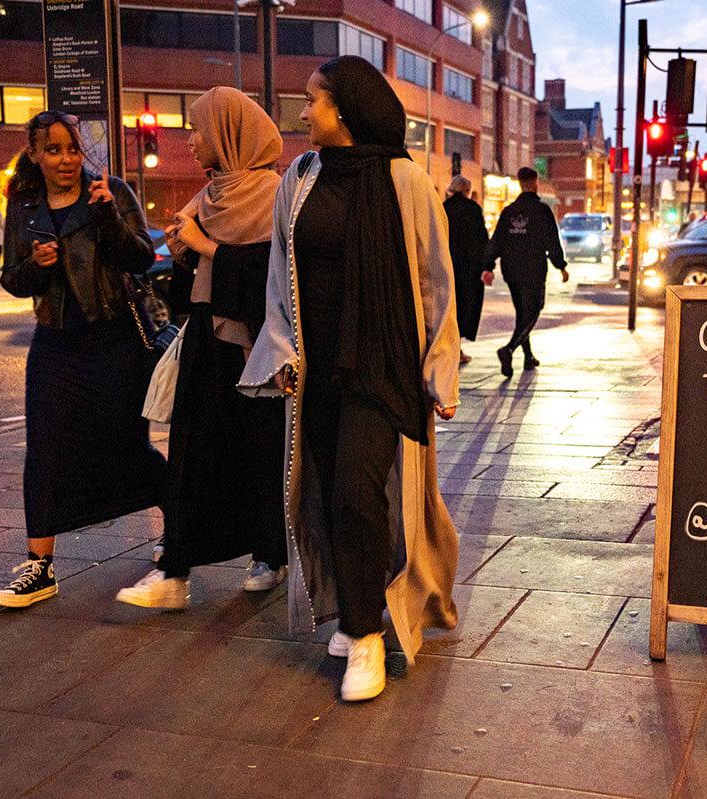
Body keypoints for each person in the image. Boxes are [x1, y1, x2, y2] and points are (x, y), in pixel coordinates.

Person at [239, 55, 460, 702]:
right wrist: (281, 352)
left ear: (347, 108)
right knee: (326, 493)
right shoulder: (300, 179)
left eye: (314, 101)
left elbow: (435, 279)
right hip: (316, 370)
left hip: (381, 366)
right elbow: (280, 277)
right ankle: (359, 604)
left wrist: (439, 369)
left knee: (356, 493)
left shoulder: (403, 179)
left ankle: (364, 635)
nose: (303, 113)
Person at [116, 87, 288, 609]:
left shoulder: (276, 197)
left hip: (252, 348)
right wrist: (188, 255)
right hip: (205, 343)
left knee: (260, 453)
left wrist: (206, 246)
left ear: (229, 136)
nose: (190, 141)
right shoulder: (208, 197)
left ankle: (271, 553)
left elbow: (274, 281)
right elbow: (186, 283)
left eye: (200, 130)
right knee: (190, 453)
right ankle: (175, 572)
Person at [0, 110, 166, 608]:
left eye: (73, 149)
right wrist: (34, 266)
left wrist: (109, 216)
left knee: (126, 448)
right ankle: (40, 568)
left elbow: (141, 258)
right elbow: (11, 280)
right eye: (54, 150)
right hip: (54, 345)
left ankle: (181, 526)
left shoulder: (107, 191)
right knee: (43, 450)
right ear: (35, 154)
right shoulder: (23, 204)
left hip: (113, 342)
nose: (66, 159)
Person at [482, 166, 569, 378]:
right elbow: (552, 241)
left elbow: (496, 241)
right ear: (535, 182)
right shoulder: (542, 211)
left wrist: (488, 266)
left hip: (511, 269)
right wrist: (561, 265)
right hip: (533, 269)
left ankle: (528, 357)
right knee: (533, 310)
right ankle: (509, 349)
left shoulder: (509, 211)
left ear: (521, 183)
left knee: (522, 312)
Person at [443, 175, 488, 365]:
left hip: (447, 266)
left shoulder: (444, 208)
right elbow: (482, 239)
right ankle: (458, 348)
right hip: (470, 268)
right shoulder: (473, 209)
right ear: (467, 190)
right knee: (466, 307)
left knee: (448, 307)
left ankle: (450, 348)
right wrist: (487, 266)